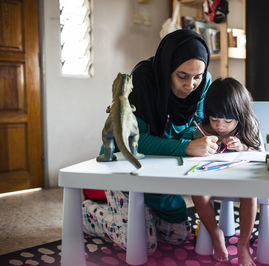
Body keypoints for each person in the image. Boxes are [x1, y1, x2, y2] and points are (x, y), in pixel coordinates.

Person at [82, 29, 220, 254]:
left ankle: (145, 217)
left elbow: (196, 125)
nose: (190, 85)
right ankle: (88, 214)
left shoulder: (203, 82)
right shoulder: (143, 80)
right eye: (182, 76)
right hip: (124, 167)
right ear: (167, 70)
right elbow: (134, 143)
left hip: (162, 168)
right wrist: (185, 147)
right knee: (144, 244)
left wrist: (206, 138)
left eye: (198, 77)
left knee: (178, 236)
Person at [192, 77, 264, 266]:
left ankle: (243, 244)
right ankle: (215, 233)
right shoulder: (203, 129)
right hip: (210, 178)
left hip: (241, 180)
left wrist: (242, 148)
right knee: (198, 195)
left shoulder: (249, 126)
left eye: (227, 121)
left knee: (250, 195)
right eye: (214, 119)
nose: (220, 126)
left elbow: (260, 154)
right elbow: (191, 154)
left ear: (240, 115)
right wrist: (200, 147)